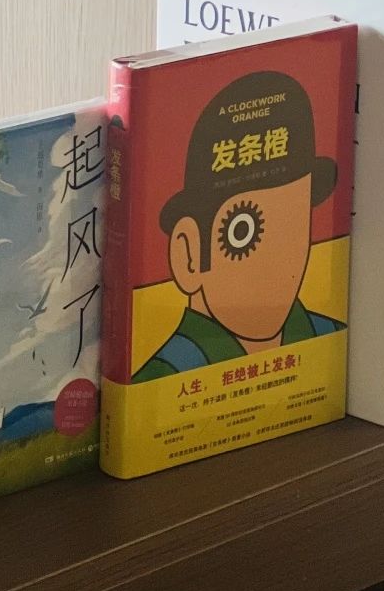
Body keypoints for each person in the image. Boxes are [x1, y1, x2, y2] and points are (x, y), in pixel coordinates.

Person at [133, 70, 344, 380]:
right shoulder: (163, 376)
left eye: (292, 229)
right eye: (243, 234)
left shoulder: (329, 338)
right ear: (188, 255)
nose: (275, 262)